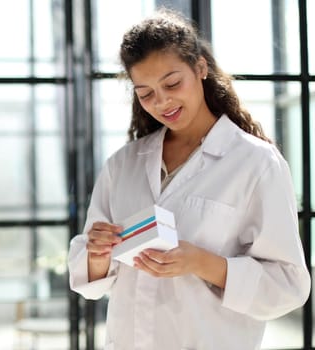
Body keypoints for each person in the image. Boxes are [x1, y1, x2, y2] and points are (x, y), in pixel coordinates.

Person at [68, 9, 311, 350]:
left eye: (172, 83)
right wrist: (97, 254)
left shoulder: (255, 163)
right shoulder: (123, 165)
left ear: (200, 68)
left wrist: (200, 262)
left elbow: (289, 286)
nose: (162, 101)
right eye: (146, 93)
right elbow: (89, 282)